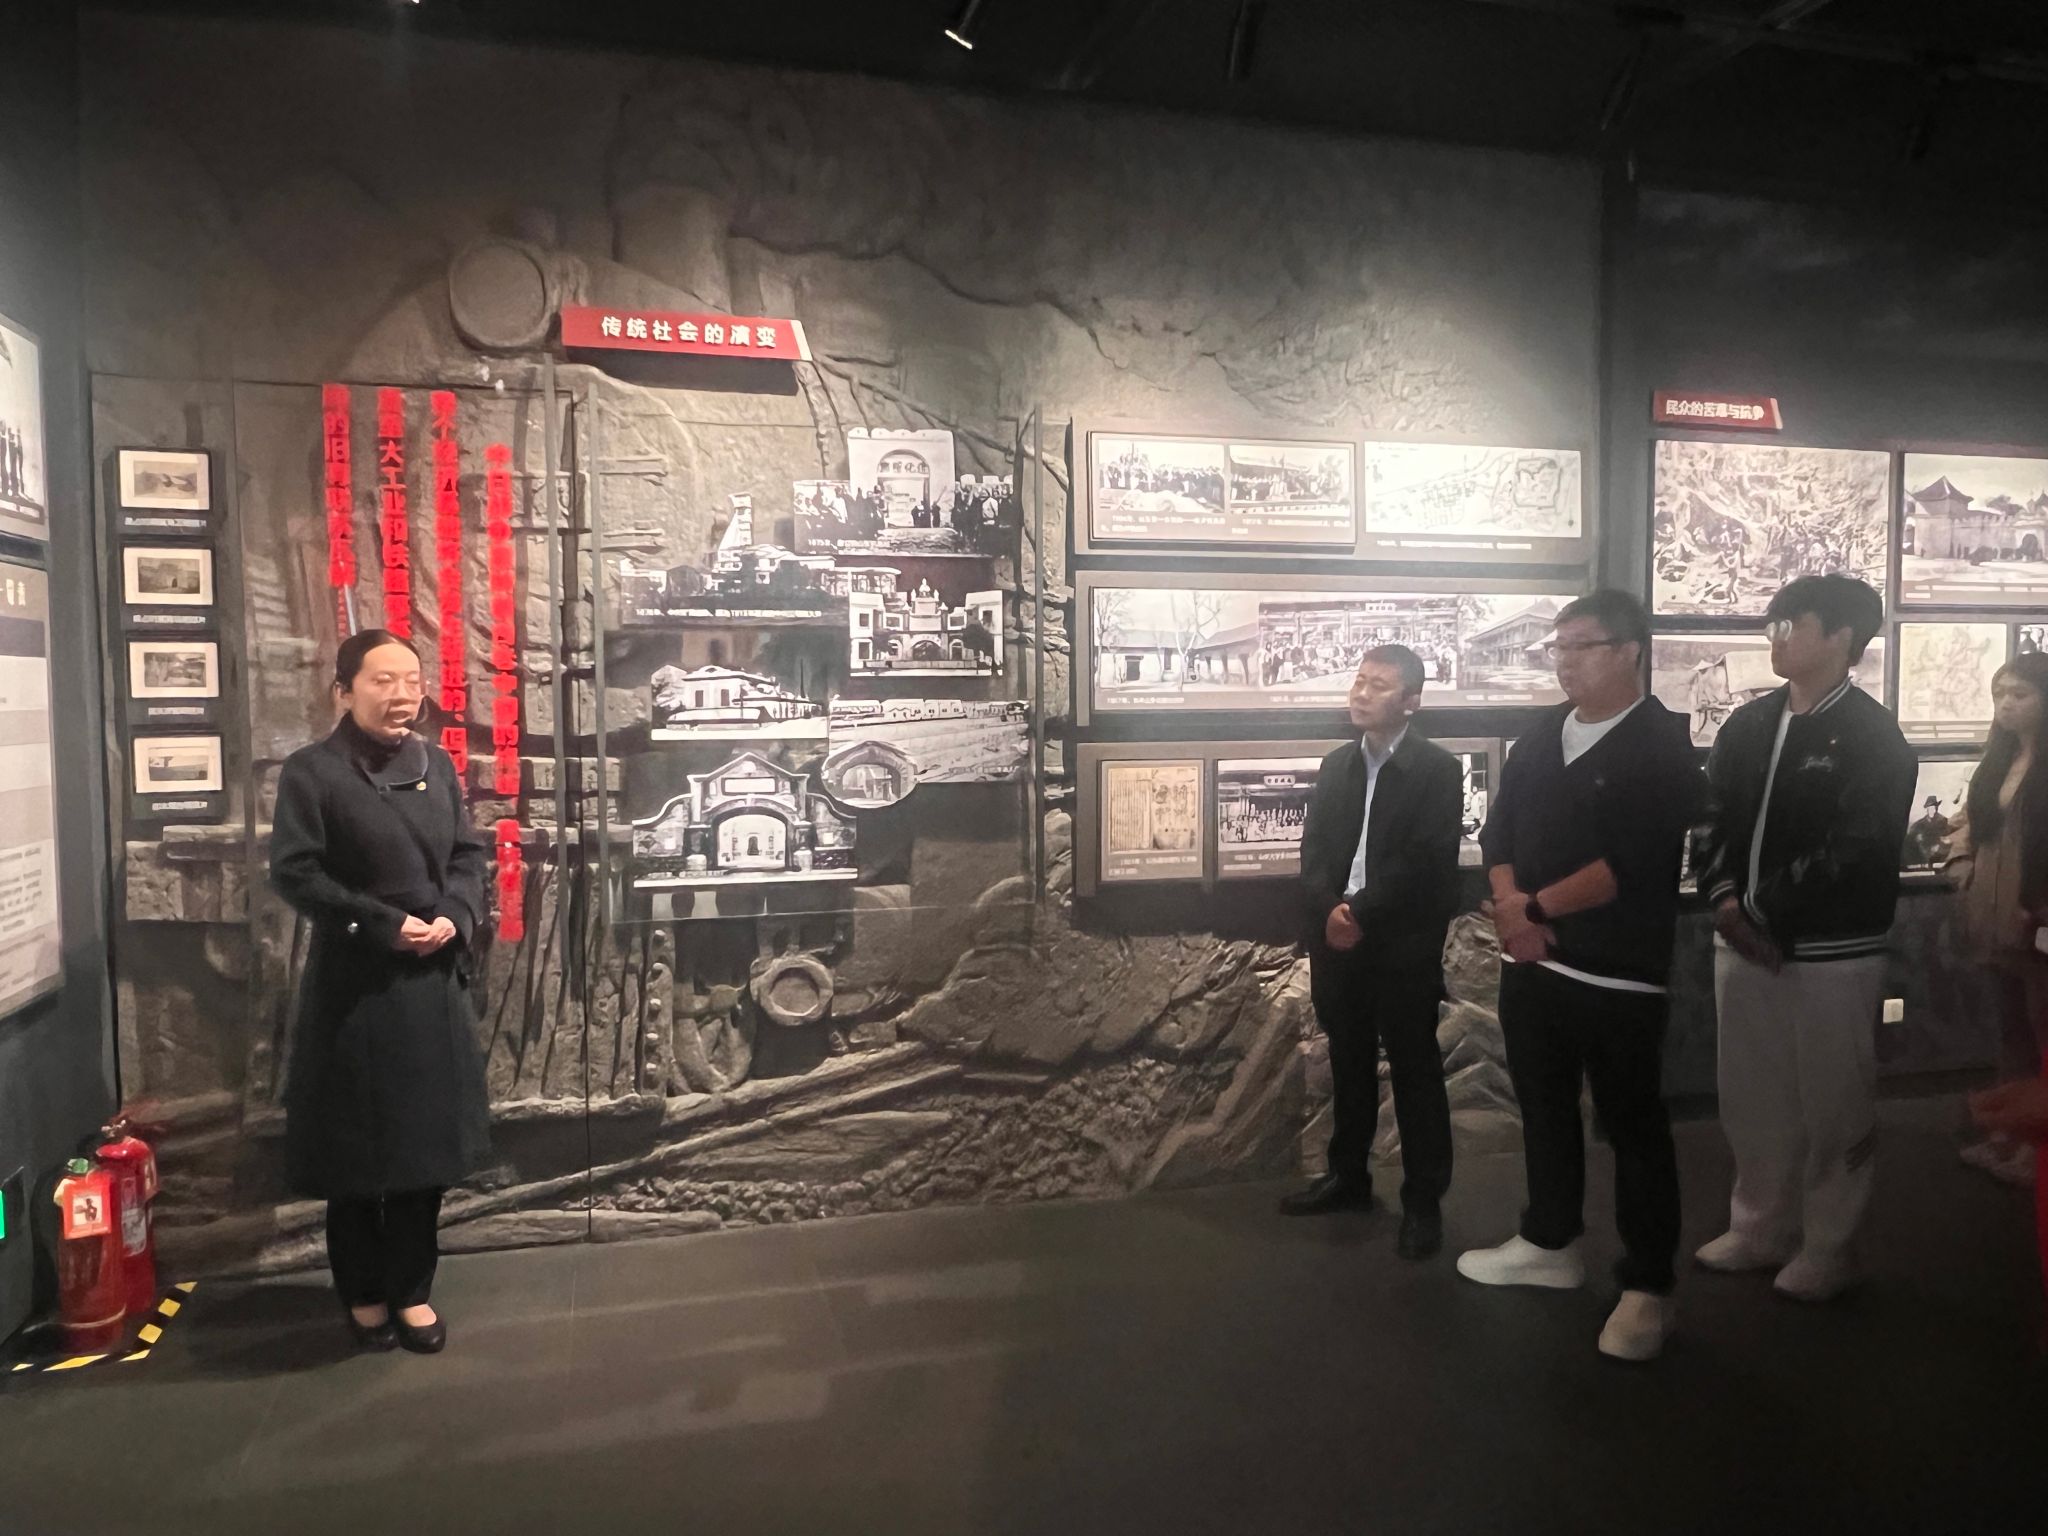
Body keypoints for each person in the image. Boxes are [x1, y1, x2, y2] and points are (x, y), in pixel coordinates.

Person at [1458, 589, 1704, 1362]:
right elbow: (1498, 832)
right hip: (1531, 962)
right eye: (1557, 648)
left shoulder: (1661, 745)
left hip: (1617, 973)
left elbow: (1631, 863)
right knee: (1544, 1108)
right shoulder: (1542, 734)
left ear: (1629, 650)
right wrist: (1512, 910)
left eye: (1581, 647)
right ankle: (1549, 1239)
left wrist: (1531, 909)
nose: (1564, 662)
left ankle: (1648, 1285)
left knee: (1633, 1126)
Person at [1692, 575, 1915, 1303]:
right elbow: (1710, 817)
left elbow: (1858, 843)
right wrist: (1725, 901)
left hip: (1832, 949)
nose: (1776, 637)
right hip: (1740, 940)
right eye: (1774, 624)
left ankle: (1829, 1244)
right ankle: (1758, 1225)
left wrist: (1759, 908)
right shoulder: (1748, 723)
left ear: (1842, 637)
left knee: (1833, 1102)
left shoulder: (1874, 737)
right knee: (1750, 1094)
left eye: (1793, 624)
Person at [270, 629, 493, 1355]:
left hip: (429, 979)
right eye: (382, 680)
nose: (402, 695)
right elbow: (296, 873)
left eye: (412, 680)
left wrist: (454, 916)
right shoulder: (312, 772)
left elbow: (467, 855)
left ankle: (413, 1290)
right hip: (356, 984)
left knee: (424, 1151)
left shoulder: (437, 763)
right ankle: (364, 1294)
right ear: (343, 691)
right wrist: (385, 925)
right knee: (357, 1155)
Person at [1284, 644, 1463, 1262]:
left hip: (1400, 943)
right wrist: (1329, 908)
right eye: (1358, 681)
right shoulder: (1337, 765)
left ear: (1411, 701)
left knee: (1415, 1070)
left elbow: (1425, 862)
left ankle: (1423, 1202)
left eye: (1378, 685)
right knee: (1349, 1061)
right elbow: (1313, 851)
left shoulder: (1438, 771)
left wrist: (1359, 912)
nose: (1360, 693)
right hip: (1338, 938)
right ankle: (1348, 1177)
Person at [1947, 651, 2048, 1187]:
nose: (2006, 704)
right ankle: (2008, 1134)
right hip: (1992, 914)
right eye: (1999, 693)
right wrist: (1962, 869)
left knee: (2041, 1028)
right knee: (2011, 1029)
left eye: (2020, 694)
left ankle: (2036, 1148)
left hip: (2035, 922)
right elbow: (1970, 824)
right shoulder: (1999, 758)